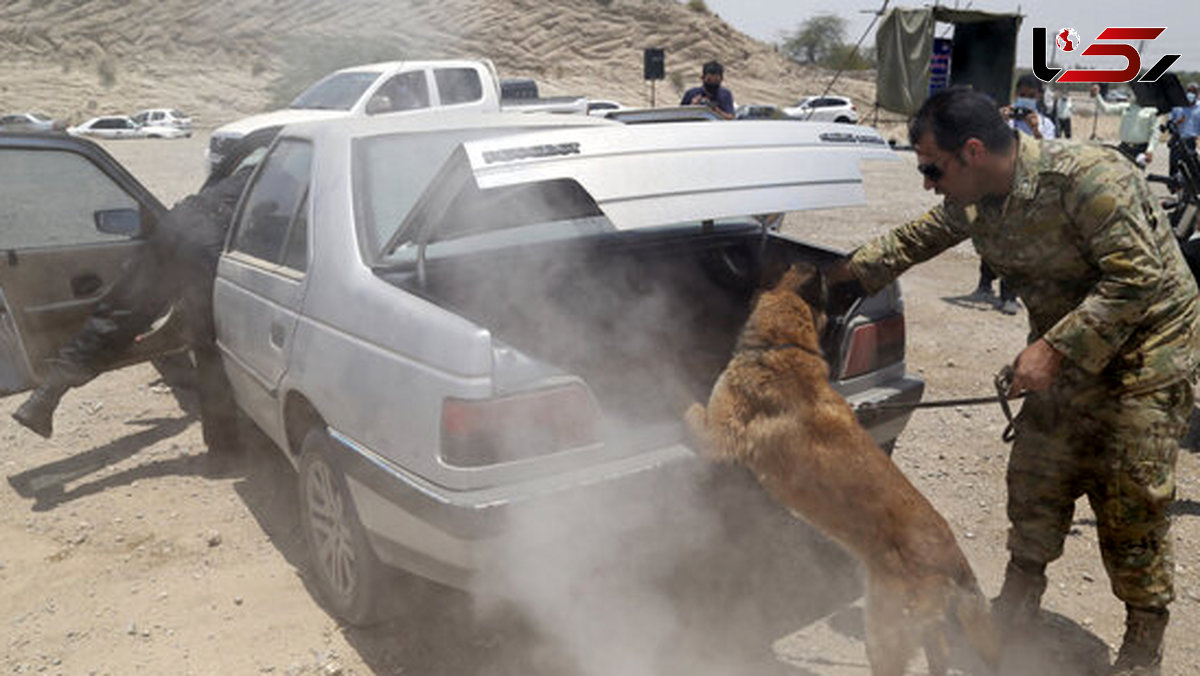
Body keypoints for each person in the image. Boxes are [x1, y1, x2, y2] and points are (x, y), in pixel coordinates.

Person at [829, 86, 1200, 675]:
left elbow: (1139, 279)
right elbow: (917, 238)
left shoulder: (1086, 178)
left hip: (1147, 356)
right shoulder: (978, 199)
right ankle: (1018, 603)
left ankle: (1142, 643)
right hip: (1064, 353)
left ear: (972, 151)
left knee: (1132, 496)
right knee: (1036, 476)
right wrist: (832, 280)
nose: (927, 180)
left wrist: (1052, 347)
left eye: (932, 167)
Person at [12, 129, 280, 470]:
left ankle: (44, 397)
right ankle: (223, 453)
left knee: (118, 314)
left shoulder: (258, 162)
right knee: (210, 348)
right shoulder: (293, 175)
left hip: (176, 224)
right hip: (208, 243)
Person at [971, 74, 1055, 315]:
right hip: (998, 183)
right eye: (1022, 94)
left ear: (1039, 96)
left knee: (1015, 240)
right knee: (990, 232)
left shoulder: (1046, 124)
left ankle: (1009, 294)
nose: (1026, 100)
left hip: (1025, 185)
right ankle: (985, 283)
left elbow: (1048, 152)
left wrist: (1036, 130)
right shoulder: (1002, 119)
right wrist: (997, 122)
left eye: (1031, 95)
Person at [1091, 84, 1164, 169]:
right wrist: (1097, 96)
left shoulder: (1153, 111)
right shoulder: (1126, 107)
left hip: (1140, 150)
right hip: (1124, 148)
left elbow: (1155, 132)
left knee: (1136, 177)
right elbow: (1106, 109)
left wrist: (1150, 150)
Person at [1168, 82, 1199, 178]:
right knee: (1174, 164)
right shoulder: (1177, 106)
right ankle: (1174, 185)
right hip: (1177, 140)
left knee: (1193, 167)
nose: (1191, 94)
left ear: (1197, 94)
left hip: (1191, 141)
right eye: (1189, 91)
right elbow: (1170, 123)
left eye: (1194, 92)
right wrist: (1178, 122)